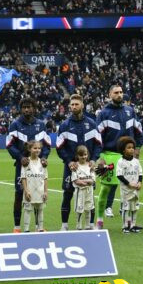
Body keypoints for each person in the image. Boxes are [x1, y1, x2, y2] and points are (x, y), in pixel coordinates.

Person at [95, 85, 143, 230]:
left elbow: (138, 131)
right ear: (110, 94)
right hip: (109, 155)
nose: (119, 95)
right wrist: (100, 156)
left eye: (121, 92)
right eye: (116, 92)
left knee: (130, 189)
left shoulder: (130, 111)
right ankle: (99, 220)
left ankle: (128, 223)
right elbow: (98, 137)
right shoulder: (103, 114)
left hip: (128, 157)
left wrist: (138, 148)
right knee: (105, 189)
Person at [56, 94, 101, 231]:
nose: (74, 106)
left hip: (88, 168)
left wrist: (93, 159)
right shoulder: (64, 125)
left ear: (82, 105)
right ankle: (64, 225)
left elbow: (98, 144)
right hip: (71, 167)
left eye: (77, 104)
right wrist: (69, 161)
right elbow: (59, 147)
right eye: (72, 104)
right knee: (68, 194)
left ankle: (90, 225)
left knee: (89, 195)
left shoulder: (92, 124)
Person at [6, 98, 50, 233]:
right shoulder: (15, 125)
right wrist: (20, 158)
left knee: (38, 192)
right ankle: (17, 226)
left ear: (34, 108)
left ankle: (38, 226)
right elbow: (9, 144)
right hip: (22, 166)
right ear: (21, 109)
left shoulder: (41, 125)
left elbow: (47, 145)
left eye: (29, 107)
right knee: (19, 194)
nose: (26, 109)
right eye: (24, 107)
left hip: (38, 166)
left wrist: (43, 158)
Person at [115, 136, 143, 233]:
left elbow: (140, 173)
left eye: (132, 147)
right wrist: (128, 183)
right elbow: (119, 175)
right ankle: (125, 226)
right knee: (126, 208)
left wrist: (139, 182)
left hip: (136, 189)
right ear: (123, 150)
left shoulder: (136, 161)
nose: (131, 149)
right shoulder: (120, 162)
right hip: (126, 189)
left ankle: (133, 225)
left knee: (135, 207)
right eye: (129, 148)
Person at [21, 141, 48, 232]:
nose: (37, 150)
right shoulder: (26, 162)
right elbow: (23, 177)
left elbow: (45, 178)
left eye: (39, 148)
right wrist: (26, 191)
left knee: (40, 210)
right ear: (29, 149)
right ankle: (26, 230)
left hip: (40, 191)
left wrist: (45, 192)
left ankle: (40, 228)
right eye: (35, 148)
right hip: (30, 191)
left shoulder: (43, 162)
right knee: (28, 210)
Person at [71, 145, 96, 231]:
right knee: (79, 208)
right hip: (80, 191)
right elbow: (75, 180)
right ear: (77, 156)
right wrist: (84, 182)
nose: (83, 157)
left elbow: (93, 180)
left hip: (89, 190)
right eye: (81, 155)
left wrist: (87, 182)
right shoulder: (75, 166)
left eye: (85, 154)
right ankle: (78, 225)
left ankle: (87, 225)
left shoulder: (90, 166)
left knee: (88, 208)